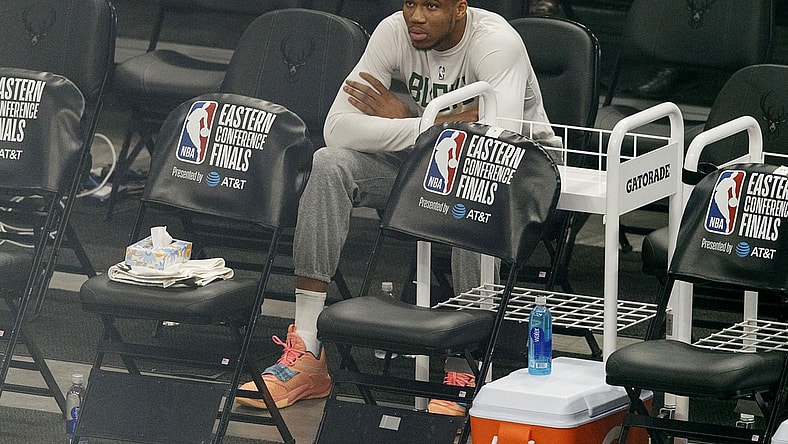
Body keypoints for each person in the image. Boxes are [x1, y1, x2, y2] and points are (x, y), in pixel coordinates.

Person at [236, 0, 560, 414]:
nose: (417, 17)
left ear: (460, 8)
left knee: (473, 180)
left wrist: (409, 116)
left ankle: (469, 363)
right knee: (329, 162)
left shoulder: (496, 43)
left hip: (514, 170)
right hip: (427, 162)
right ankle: (308, 349)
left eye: (432, 6)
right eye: (410, 3)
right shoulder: (394, 31)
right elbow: (338, 127)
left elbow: (501, 133)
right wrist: (430, 124)